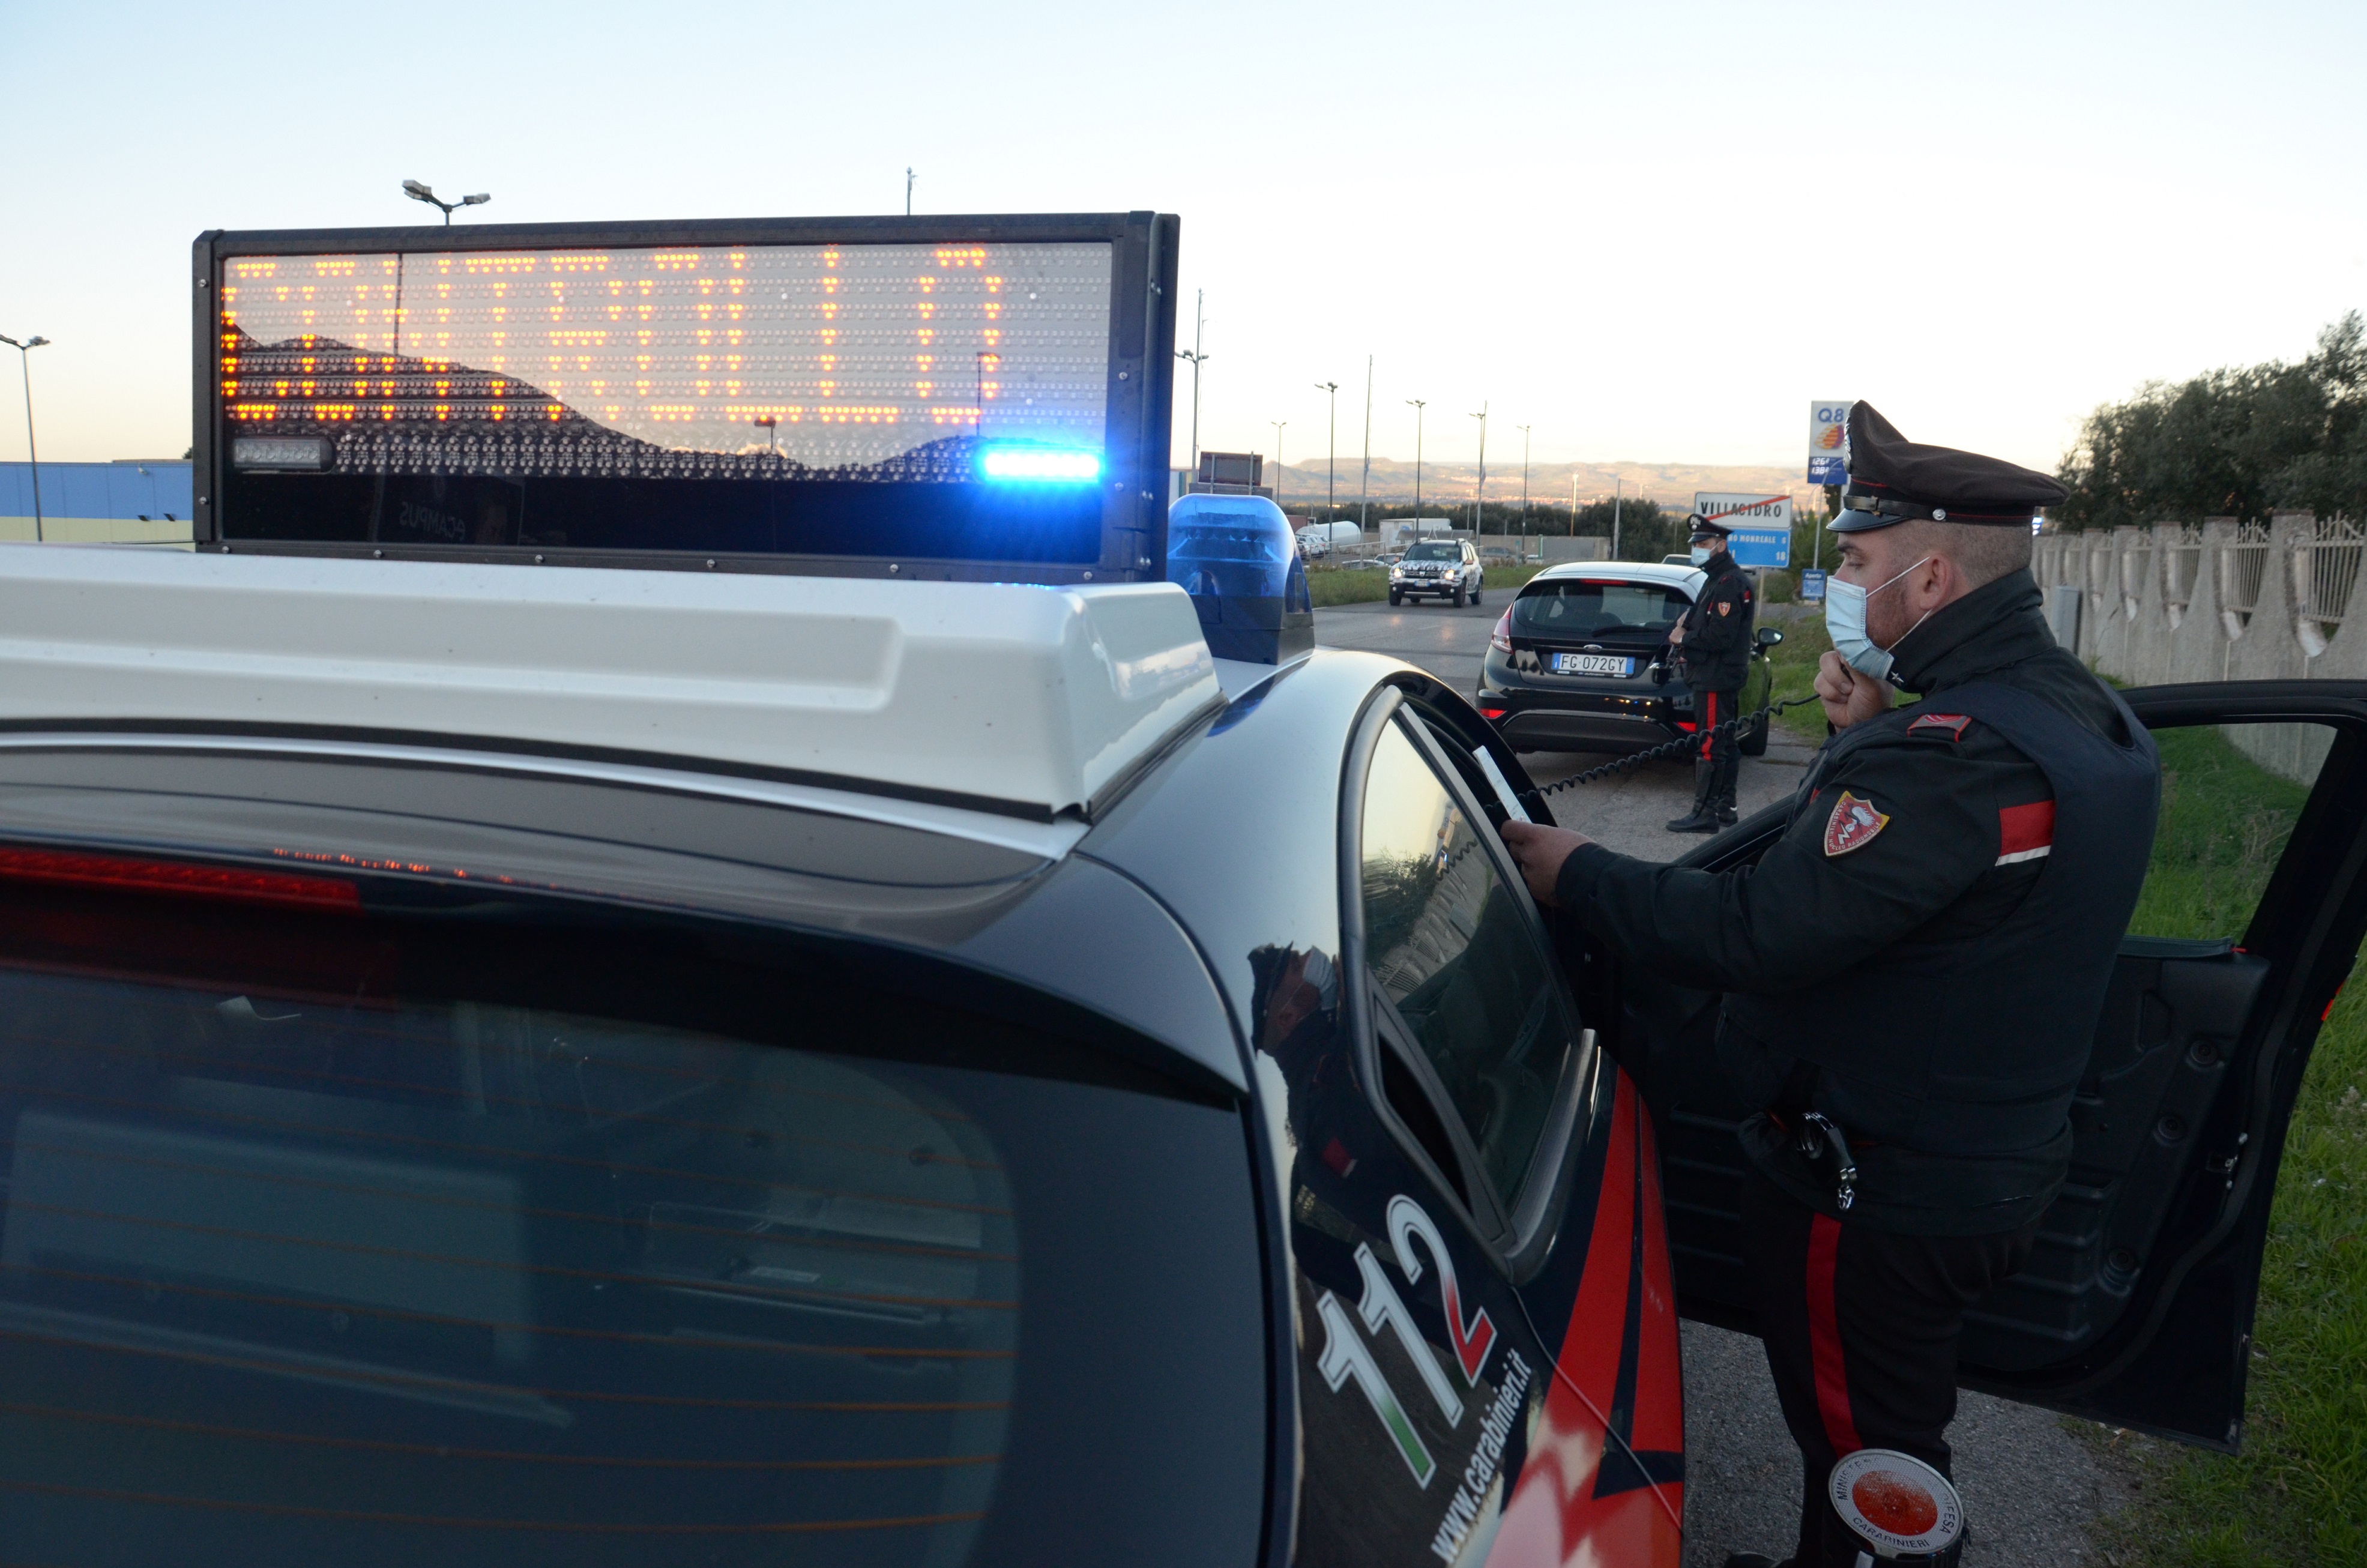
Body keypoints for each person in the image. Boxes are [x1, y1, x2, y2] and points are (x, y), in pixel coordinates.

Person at [1498, 403, 2159, 1568]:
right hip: (1987, 1157)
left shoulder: (1952, 758)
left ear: (1933, 576)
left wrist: (1579, 873)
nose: (1841, 583)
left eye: (1856, 564)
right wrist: (1871, 731)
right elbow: (1948, 877)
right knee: (1868, 1427)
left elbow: (1761, 929)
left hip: (1883, 1189)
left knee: (1871, 1451)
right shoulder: (2071, 713)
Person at [1665, 513, 1756, 833]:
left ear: (1721, 545)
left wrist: (1683, 639)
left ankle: (1704, 814)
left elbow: (1720, 637)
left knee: (1711, 743)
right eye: (1696, 544)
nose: (1698, 549)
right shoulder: (1714, 580)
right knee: (1725, 742)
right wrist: (1684, 624)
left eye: (1703, 543)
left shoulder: (1730, 584)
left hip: (1717, 676)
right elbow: (1697, 616)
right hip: (1711, 675)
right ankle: (1725, 809)